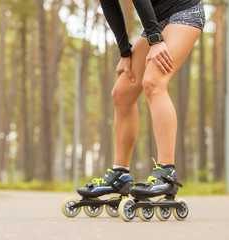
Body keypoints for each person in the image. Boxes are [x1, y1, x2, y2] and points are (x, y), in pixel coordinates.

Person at [77, 0, 205, 202]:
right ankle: (120, 175)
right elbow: (110, 5)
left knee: (153, 82)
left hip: (184, 12)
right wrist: (125, 54)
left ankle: (166, 173)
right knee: (121, 93)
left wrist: (155, 41)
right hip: (155, 20)